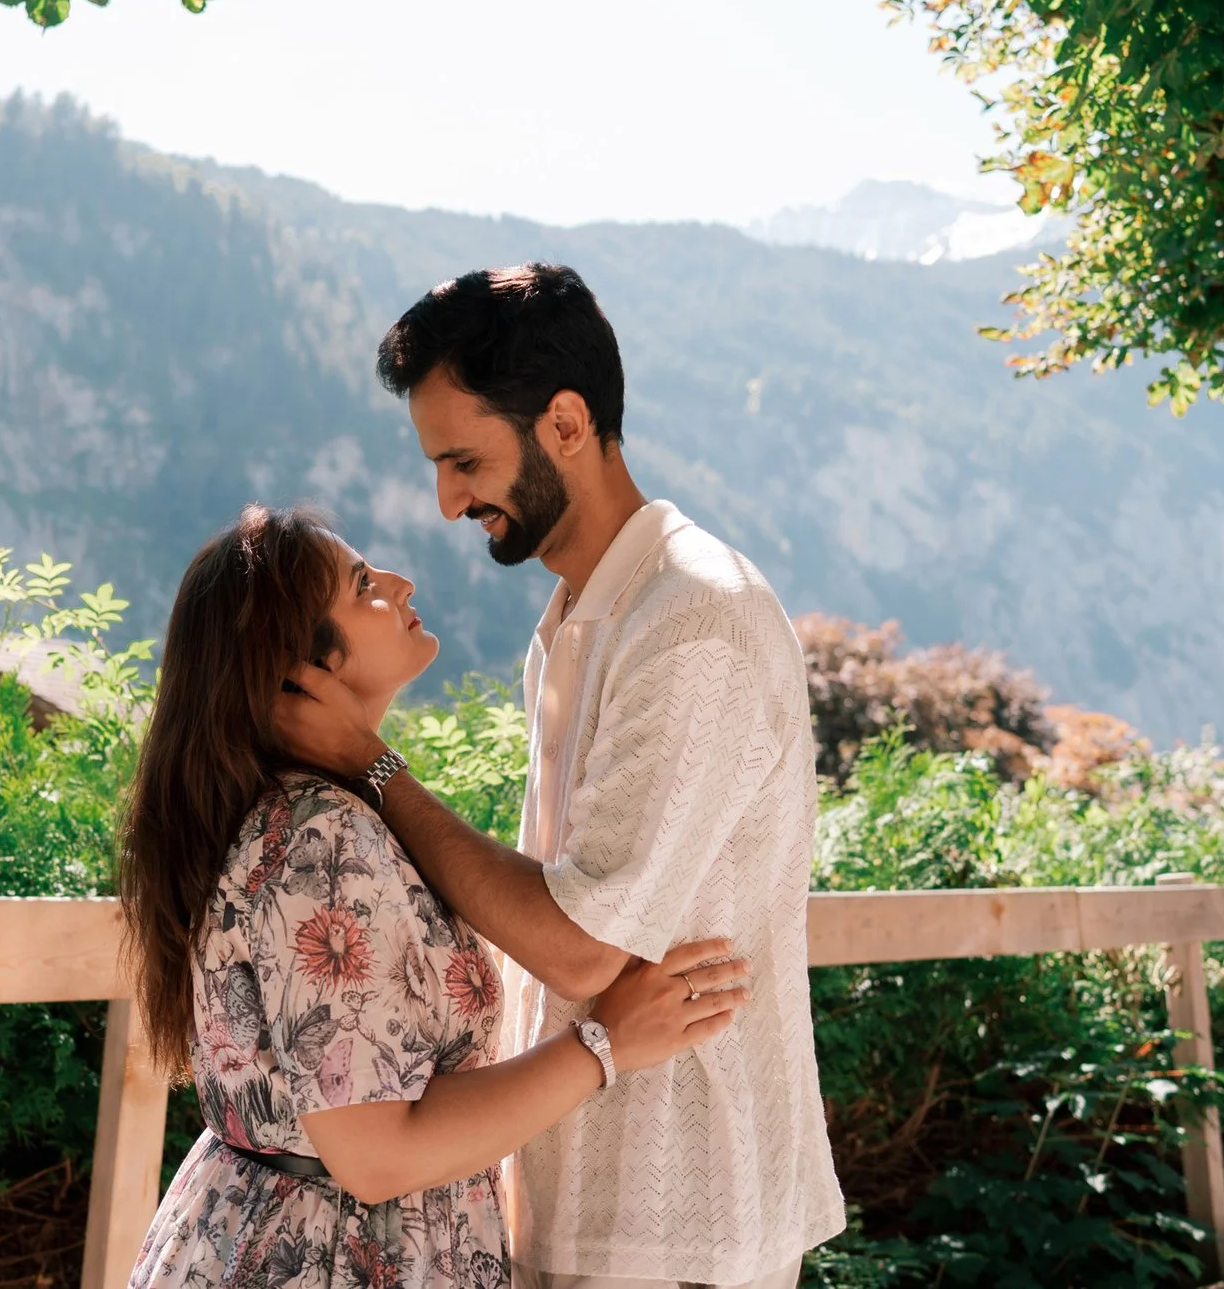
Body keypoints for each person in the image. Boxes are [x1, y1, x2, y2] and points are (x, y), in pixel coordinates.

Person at [276, 264, 844, 1289]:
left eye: (464, 459)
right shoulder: (590, 614)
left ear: (567, 422)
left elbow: (579, 943)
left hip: (678, 1214)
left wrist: (371, 761)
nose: (447, 499)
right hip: (579, 1188)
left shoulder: (691, 619)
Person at [120, 503, 752, 1289]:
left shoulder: (323, 816)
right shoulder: (320, 840)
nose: (400, 580)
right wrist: (605, 1044)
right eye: (362, 585)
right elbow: (377, 1153)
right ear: (300, 666)